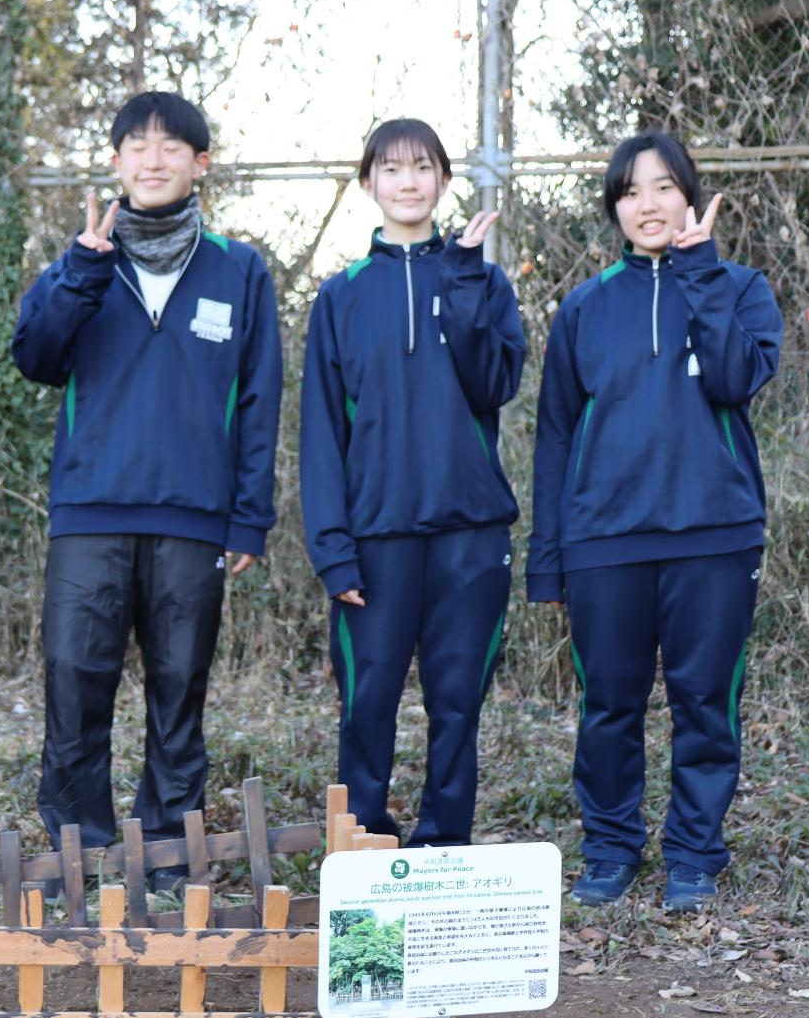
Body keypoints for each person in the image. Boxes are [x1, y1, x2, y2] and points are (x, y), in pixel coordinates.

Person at [12, 90, 282, 891]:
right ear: (117, 161)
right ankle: (76, 851)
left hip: (194, 518)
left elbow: (261, 398)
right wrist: (81, 272)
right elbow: (34, 356)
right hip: (90, 511)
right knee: (74, 681)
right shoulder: (83, 261)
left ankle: (166, 854)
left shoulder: (239, 268)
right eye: (137, 145)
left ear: (202, 164)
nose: (153, 159)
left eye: (172, 147)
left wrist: (250, 517)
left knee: (179, 689)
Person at [527, 130, 783, 912]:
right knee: (609, 705)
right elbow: (555, 435)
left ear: (691, 196)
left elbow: (736, 375)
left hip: (715, 535)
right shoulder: (584, 305)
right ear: (614, 206)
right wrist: (549, 558)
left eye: (665, 186)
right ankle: (609, 848)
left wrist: (700, 272)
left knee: (706, 700)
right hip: (606, 541)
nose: (649, 204)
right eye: (632, 191)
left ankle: (695, 854)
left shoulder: (740, 287)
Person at [299, 118, 526, 848]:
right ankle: (365, 843)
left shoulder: (483, 281)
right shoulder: (340, 296)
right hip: (375, 539)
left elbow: (496, 382)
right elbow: (321, 434)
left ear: (444, 180)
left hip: (469, 533)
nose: (407, 181)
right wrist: (333, 549)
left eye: (422, 167)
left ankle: (443, 844)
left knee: (457, 704)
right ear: (368, 183)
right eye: (390, 168)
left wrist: (460, 280)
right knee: (368, 704)